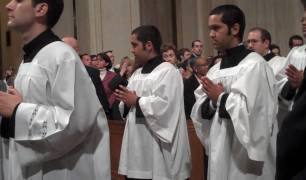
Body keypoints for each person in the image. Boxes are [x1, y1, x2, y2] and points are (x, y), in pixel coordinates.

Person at [0, 0, 111, 179]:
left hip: (60, 169)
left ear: (41, 9)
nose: (8, 5)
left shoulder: (62, 56)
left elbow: (74, 122)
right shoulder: (30, 59)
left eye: (19, 1)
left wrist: (16, 111)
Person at [191, 5, 277, 180]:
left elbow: (258, 115)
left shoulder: (255, 65)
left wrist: (220, 98)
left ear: (235, 28)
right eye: (209, 29)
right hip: (219, 150)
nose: (211, 34)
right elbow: (200, 107)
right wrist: (213, 101)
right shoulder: (215, 70)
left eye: (216, 28)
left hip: (245, 159)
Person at [115, 25, 191, 180]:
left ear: (148, 45)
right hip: (137, 149)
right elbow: (127, 105)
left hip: (160, 151)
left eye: (134, 45)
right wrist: (126, 102)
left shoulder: (168, 71)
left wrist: (136, 100)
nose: (132, 50)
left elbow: (167, 107)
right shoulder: (136, 74)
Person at [276, 1, 306, 179]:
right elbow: (280, 82)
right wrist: (292, 86)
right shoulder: (296, 53)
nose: (304, 22)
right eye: (302, 19)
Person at [63, 36, 111, 117]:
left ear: (76, 51)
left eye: (64, 48)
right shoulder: (55, 71)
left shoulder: (91, 73)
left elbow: (101, 100)